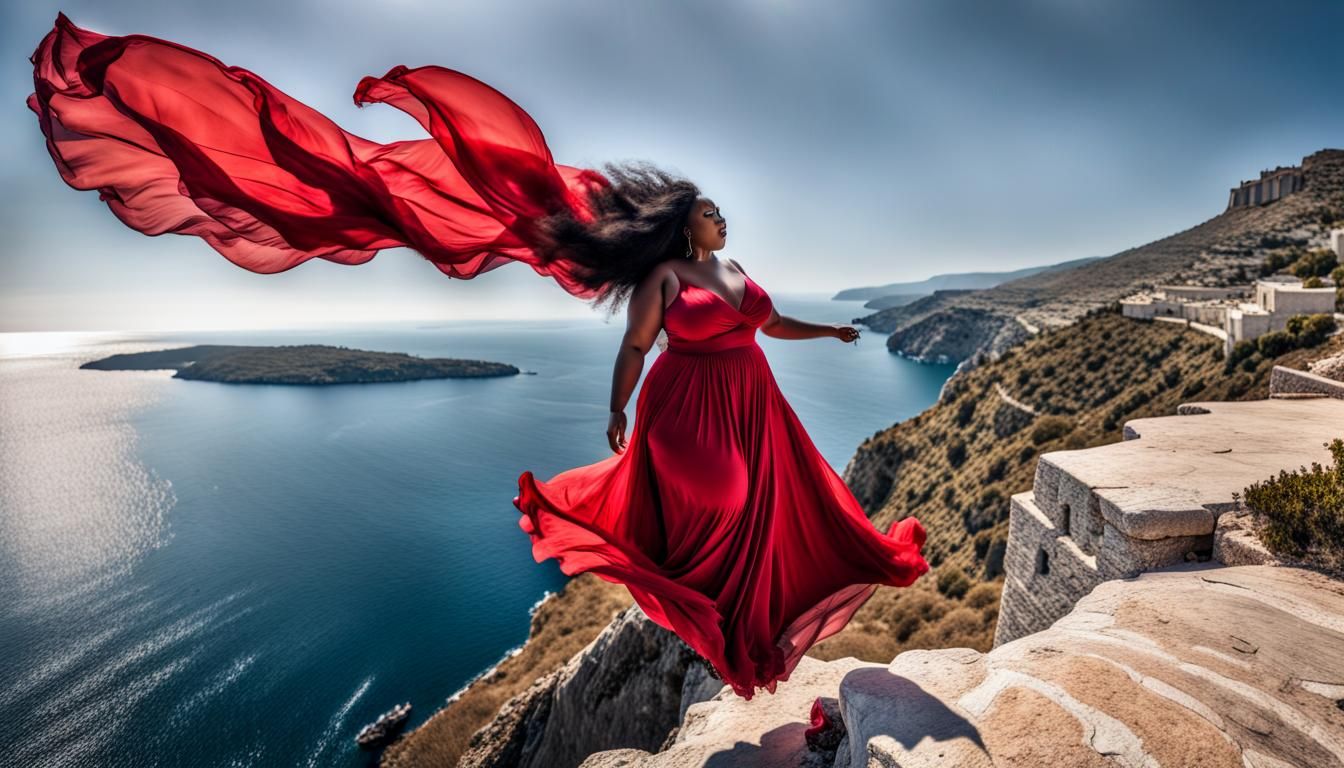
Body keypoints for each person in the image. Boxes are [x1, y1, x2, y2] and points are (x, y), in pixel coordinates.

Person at [27, 13, 929, 702]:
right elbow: (636, 347)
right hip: (687, 407)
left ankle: (744, 635)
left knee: (775, 520)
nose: (723, 220)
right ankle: (724, 624)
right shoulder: (660, 275)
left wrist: (834, 333)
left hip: (755, 403)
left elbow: (769, 327)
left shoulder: (735, 269)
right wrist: (618, 409)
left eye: (723, 214)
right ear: (682, 219)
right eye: (710, 211)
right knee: (721, 511)